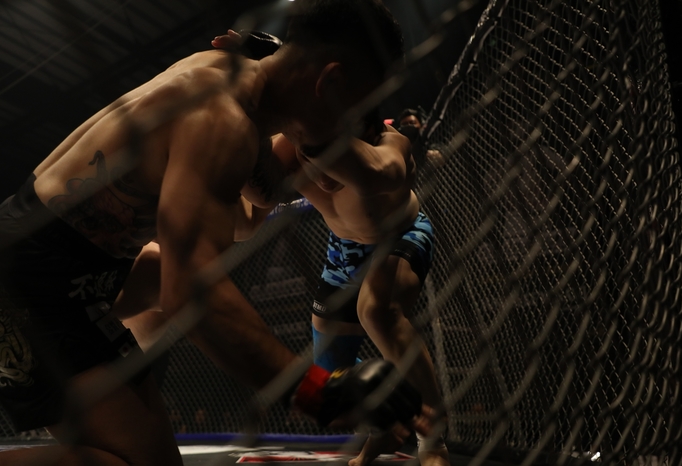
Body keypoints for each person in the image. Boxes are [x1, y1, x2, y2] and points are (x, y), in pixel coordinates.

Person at [0, 1, 427, 465]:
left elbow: (253, 206)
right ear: (332, 83)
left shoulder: (230, 78)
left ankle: (109, 387)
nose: (350, 135)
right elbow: (194, 297)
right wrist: (318, 393)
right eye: (356, 109)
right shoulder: (222, 119)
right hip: (27, 281)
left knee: (159, 274)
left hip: (71, 267)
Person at [211, 31, 450, 466]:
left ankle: (433, 445)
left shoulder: (384, 141)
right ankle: (383, 431)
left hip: (399, 236)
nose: (323, 175)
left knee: (376, 311)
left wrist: (394, 144)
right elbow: (245, 225)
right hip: (343, 252)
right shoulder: (285, 147)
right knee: (328, 371)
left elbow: (387, 169)